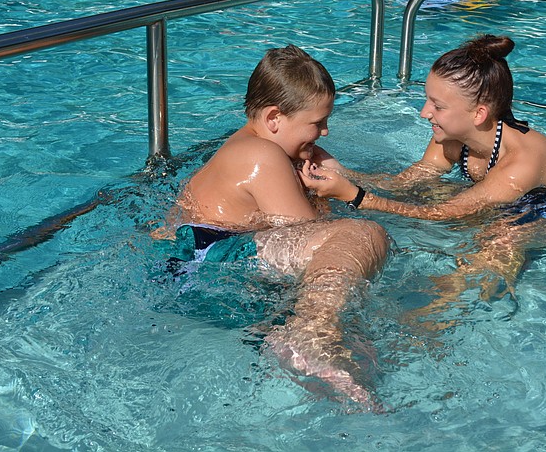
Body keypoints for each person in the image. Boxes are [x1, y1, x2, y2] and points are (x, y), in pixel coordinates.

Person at [157, 45, 390, 408]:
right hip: (206, 254)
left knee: (361, 346)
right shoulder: (262, 156)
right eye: (317, 123)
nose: (325, 132)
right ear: (274, 118)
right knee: (362, 235)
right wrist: (324, 198)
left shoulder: (256, 145)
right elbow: (313, 234)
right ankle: (308, 332)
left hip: (201, 258)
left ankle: (301, 337)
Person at [301, 35, 546, 303]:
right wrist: (340, 172)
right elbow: (403, 184)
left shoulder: (521, 162)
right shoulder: (450, 137)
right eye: (427, 100)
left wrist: (356, 197)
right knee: (431, 193)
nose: (425, 113)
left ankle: (449, 309)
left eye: (437, 106)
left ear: (479, 114)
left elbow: (445, 213)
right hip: (510, 206)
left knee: (501, 237)